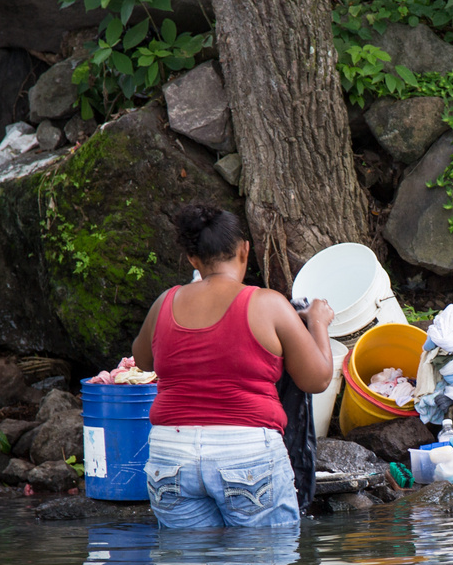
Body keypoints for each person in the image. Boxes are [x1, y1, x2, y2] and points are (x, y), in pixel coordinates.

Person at [132, 204, 334, 527]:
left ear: (193, 260)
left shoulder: (164, 304)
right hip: (246, 455)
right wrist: (318, 322)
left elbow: (143, 360)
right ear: (245, 250)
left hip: (171, 458)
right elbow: (318, 378)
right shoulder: (267, 305)